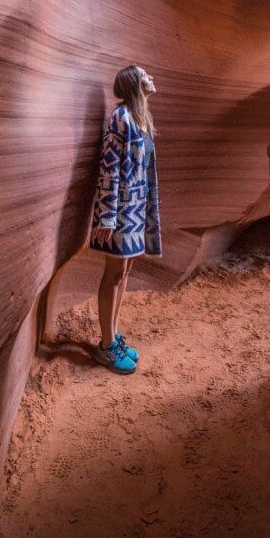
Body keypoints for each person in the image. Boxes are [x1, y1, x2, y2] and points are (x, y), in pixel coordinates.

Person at [89, 64, 162, 373]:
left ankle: (113, 334)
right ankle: (105, 346)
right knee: (113, 274)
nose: (152, 78)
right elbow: (109, 166)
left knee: (125, 273)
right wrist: (106, 217)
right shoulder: (120, 119)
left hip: (135, 211)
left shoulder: (141, 120)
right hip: (118, 214)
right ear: (134, 83)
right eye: (146, 75)